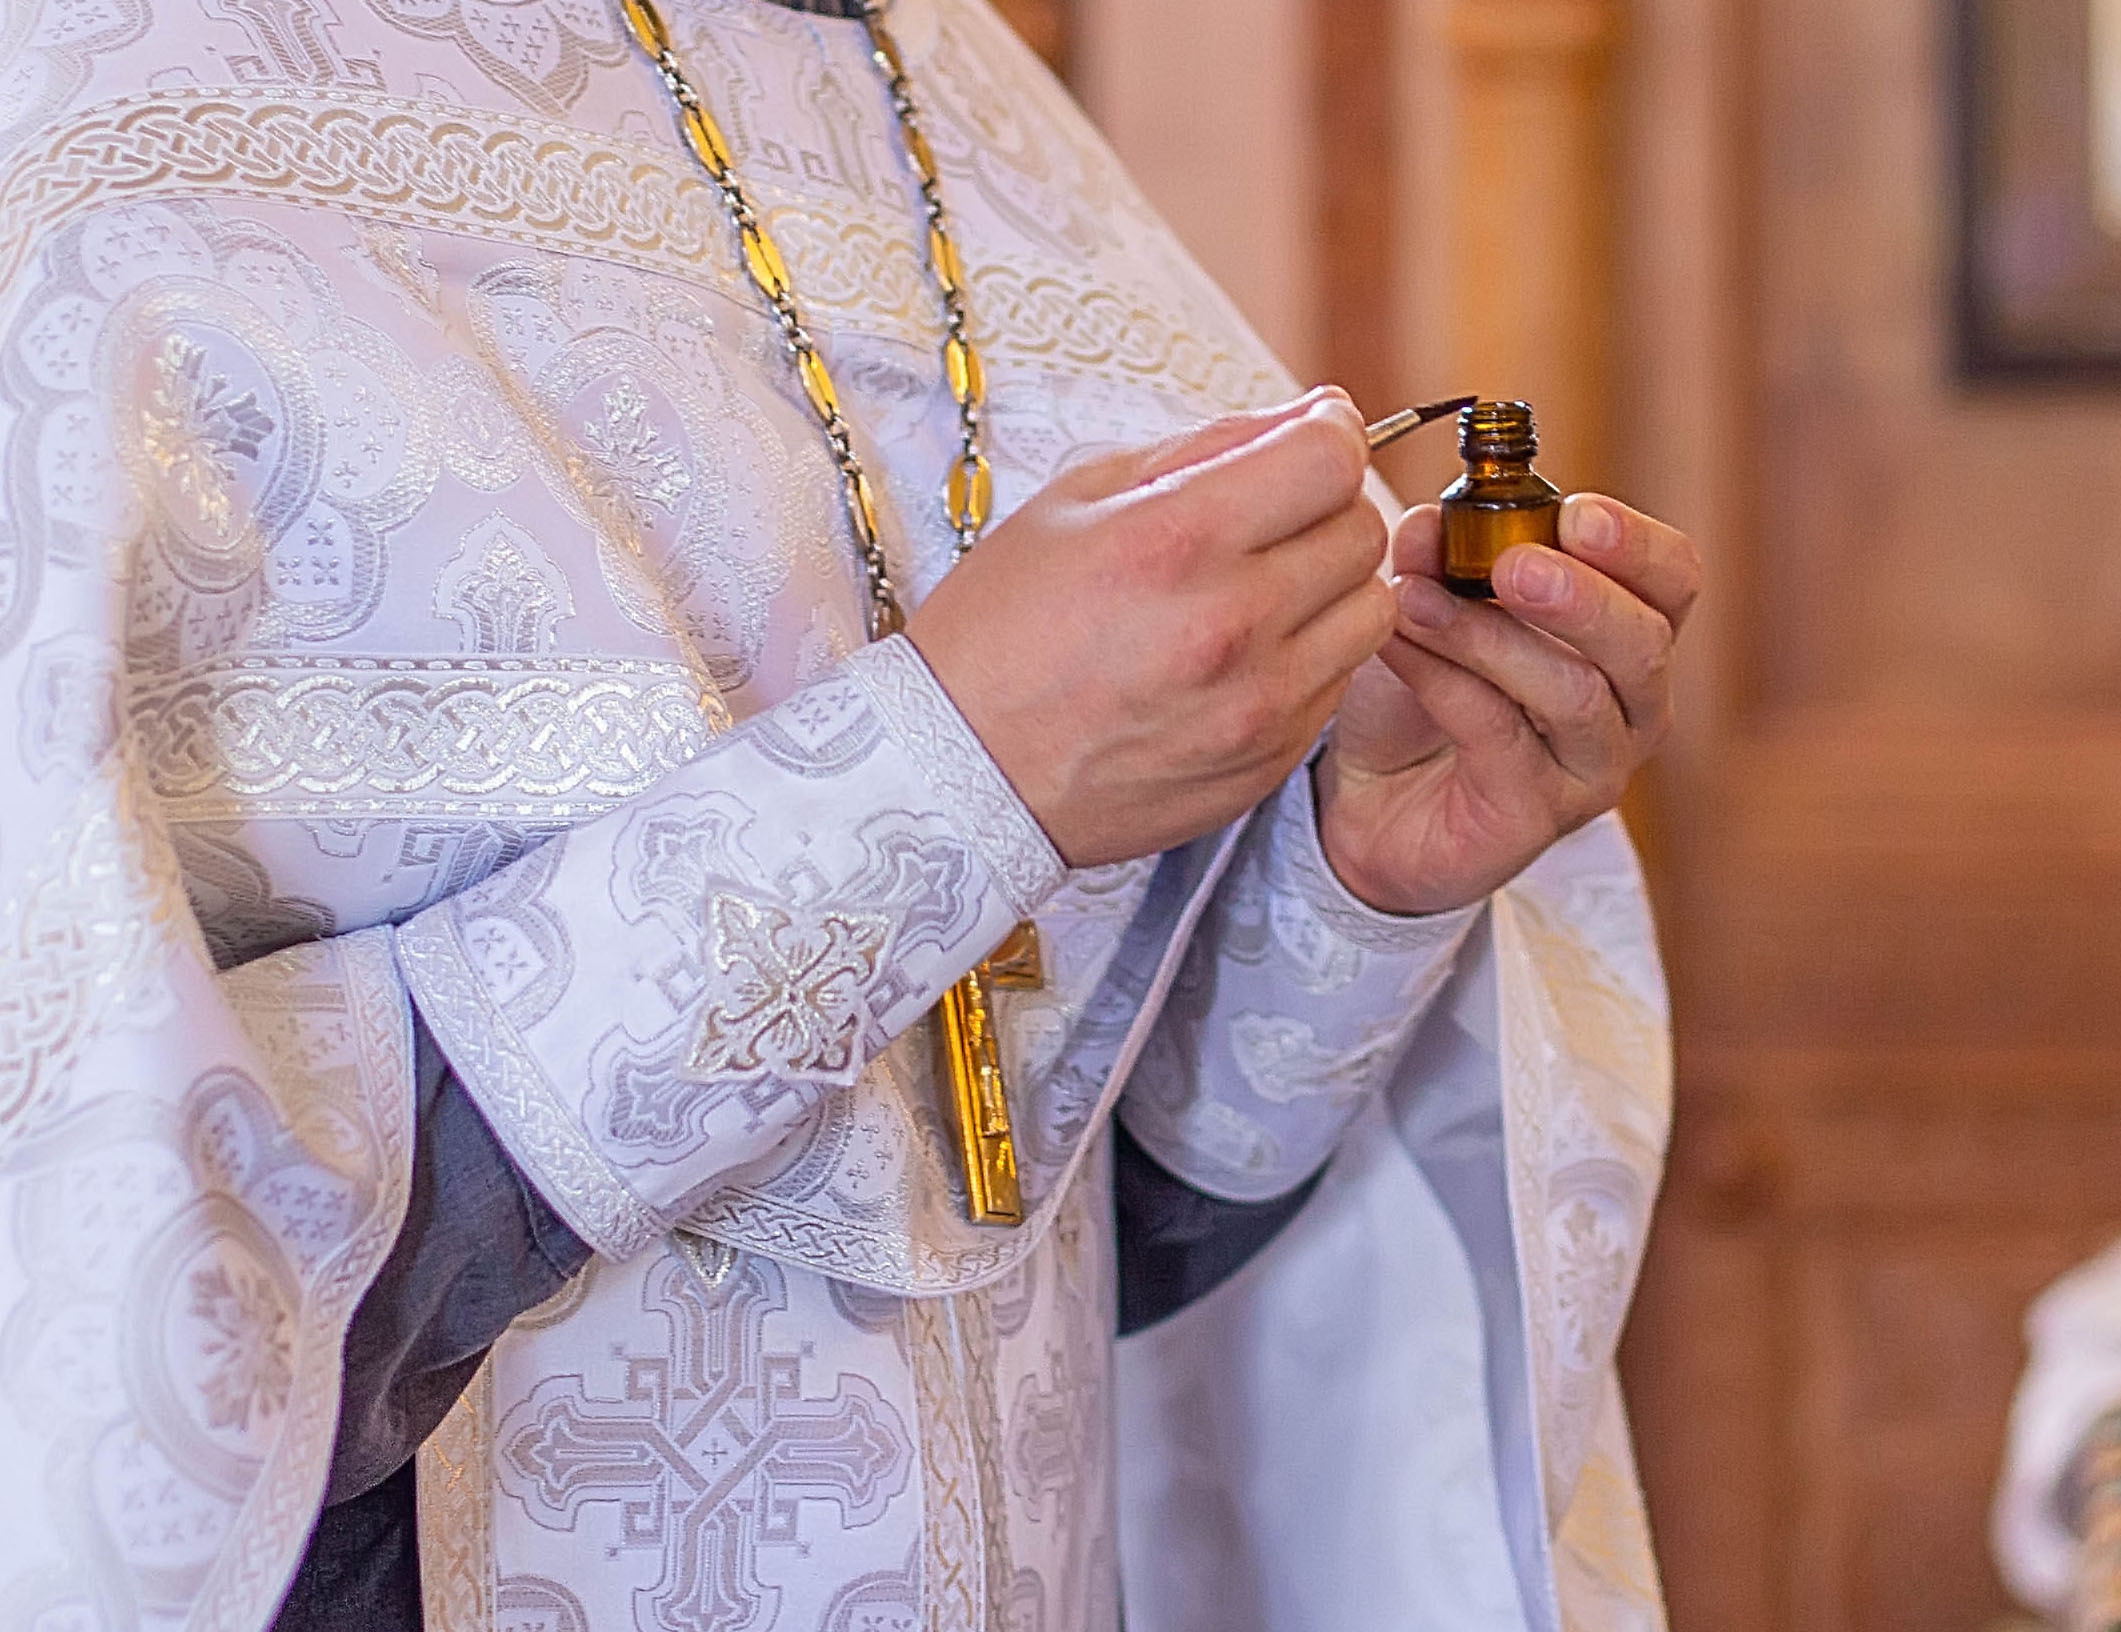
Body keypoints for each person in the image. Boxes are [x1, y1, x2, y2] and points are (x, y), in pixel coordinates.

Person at [0, 1, 1696, 1629]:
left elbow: (1042, 1241)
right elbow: (89, 1282)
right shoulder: (102, 110)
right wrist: (936, 789)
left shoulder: (955, 94)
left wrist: (1340, 889)